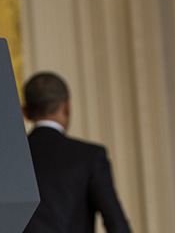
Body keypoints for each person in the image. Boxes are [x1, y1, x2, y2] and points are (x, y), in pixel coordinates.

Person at [22, 72, 131, 233]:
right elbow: (116, 224)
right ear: (66, 106)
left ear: (25, 112)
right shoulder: (90, 157)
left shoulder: (8, 161)